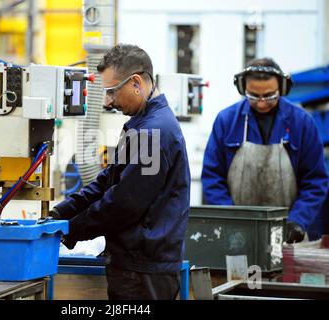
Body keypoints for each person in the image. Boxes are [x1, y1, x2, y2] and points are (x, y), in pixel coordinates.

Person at [50, 44, 191, 300]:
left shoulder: (153, 133)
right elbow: (108, 180)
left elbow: (124, 203)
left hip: (142, 271)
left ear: (136, 83)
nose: (108, 101)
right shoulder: (143, 125)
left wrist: (72, 229)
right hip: (137, 265)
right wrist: (62, 211)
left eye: (112, 91)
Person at [201, 58, 328, 243]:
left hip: (289, 233)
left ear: (282, 89)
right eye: (253, 96)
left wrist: (298, 221)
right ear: (243, 89)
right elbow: (212, 178)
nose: (261, 103)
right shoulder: (226, 121)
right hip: (237, 233)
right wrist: (231, 218)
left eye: (269, 96)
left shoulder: (302, 123)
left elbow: (315, 181)